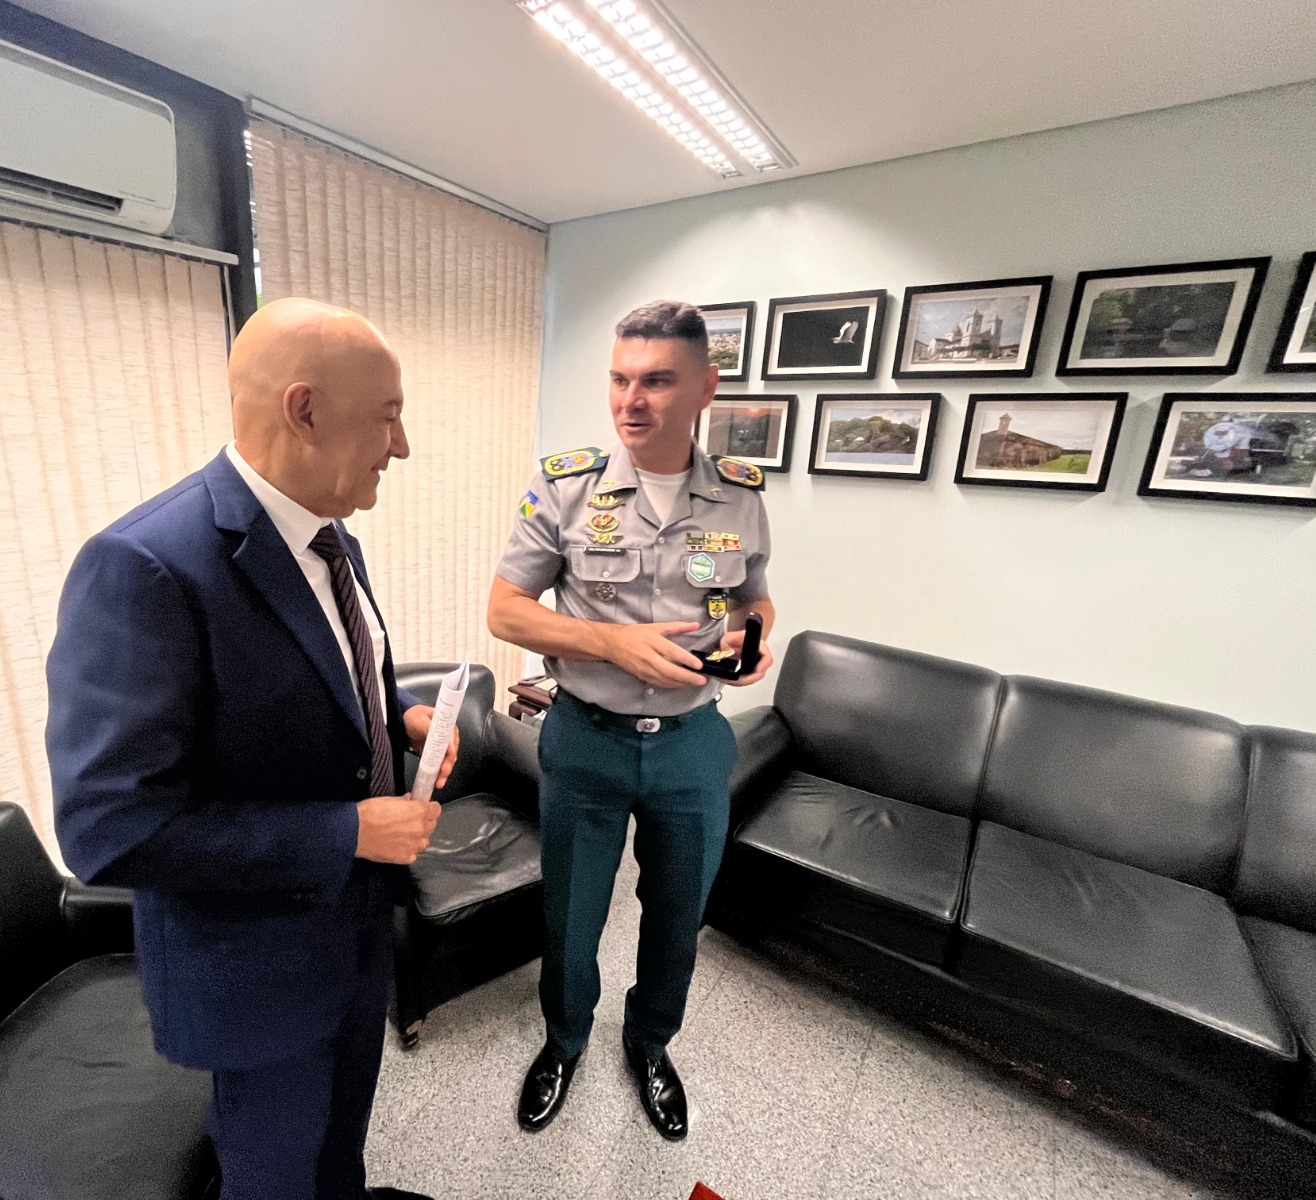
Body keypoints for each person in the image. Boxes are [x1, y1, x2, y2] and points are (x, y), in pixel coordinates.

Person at [46, 298, 453, 1200]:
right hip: (256, 972)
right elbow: (110, 830)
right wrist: (348, 832)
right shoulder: (145, 568)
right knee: (274, 1175)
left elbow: (319, 677)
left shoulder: (332, 536)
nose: (402, 445)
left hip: (357, 927)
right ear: (304, 411)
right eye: (387, 416)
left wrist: (402, 715)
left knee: (341, 1149)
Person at [487, 300, 776, 1141]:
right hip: (586, 738)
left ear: (705, 388)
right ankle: (564, 1042)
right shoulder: (566, 485)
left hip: (692, 744)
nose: (631, 400)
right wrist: (612, 643)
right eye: (619, 379)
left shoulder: (740, 495)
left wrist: (755, 634)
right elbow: (506, 610)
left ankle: (650, 1045)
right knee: (572, 914)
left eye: (656, 381)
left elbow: (754, 594)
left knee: (678, 916)